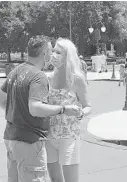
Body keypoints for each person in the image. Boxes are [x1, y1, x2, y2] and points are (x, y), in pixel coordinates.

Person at [0, 35, 81, 182]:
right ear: (44, 54)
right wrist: (63, 109)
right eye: (50, 51)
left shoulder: (16, 71)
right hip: (29, 141)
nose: (52, 55)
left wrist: (18, 114)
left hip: (11, 138)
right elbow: (35, 108)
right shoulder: (38, 76)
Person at [46, 38, 91, 182]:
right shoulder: (47, 78)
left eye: (58, 52)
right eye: (53, 51)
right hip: (49, 135)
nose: (54, 55)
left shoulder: (77, 79)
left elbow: (87, 105)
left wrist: (81, 112)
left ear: (68, 56)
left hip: (69, 136)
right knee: (55, 179)